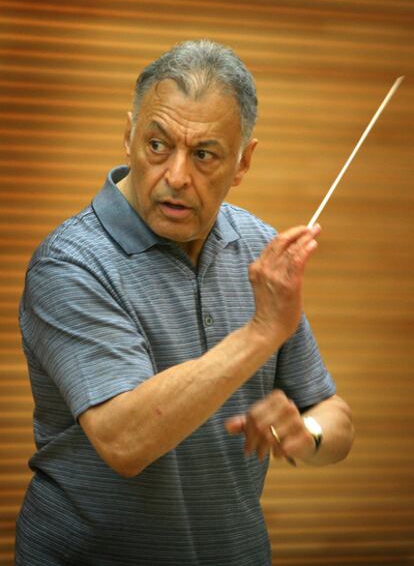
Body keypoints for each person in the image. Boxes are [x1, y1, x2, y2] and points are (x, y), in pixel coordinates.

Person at [16, 39, 354, 566]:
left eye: (203, 155)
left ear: (242, 162)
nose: (176, 175)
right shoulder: (71, 262)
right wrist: (261, 332)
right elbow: (124, 441)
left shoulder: (254, 248)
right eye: (157, 145)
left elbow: (334, 418)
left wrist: (305, 433)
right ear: (128, 135)